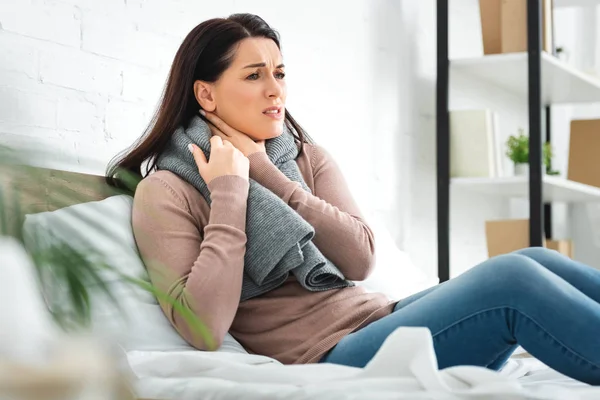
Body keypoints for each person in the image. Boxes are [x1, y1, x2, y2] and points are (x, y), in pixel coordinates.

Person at [106, 13, 600, 385]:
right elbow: (205, 328)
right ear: (206, 95)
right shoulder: (167, 191)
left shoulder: (303, 159)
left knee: (533, 258)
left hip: (381, 318)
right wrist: (231, 190)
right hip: (332, 355)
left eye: (280, 73)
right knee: (510, 279)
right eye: (254, 76)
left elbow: (360, 259)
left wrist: (269, 177)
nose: (275, 91)